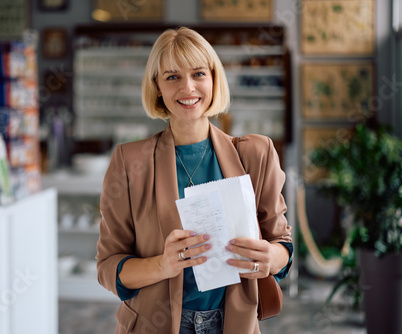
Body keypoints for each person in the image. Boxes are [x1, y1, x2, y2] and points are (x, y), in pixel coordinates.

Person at [96, 27, 293, 334]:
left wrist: (271, 258)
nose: (187, 87)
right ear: (158, 86)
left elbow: (282, 244)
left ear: (214, 80)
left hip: (233, 323)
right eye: (172, 76)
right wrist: (163, 265)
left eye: (199, 73)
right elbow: (109, 267)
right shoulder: (129, 161)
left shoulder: (256, 153)